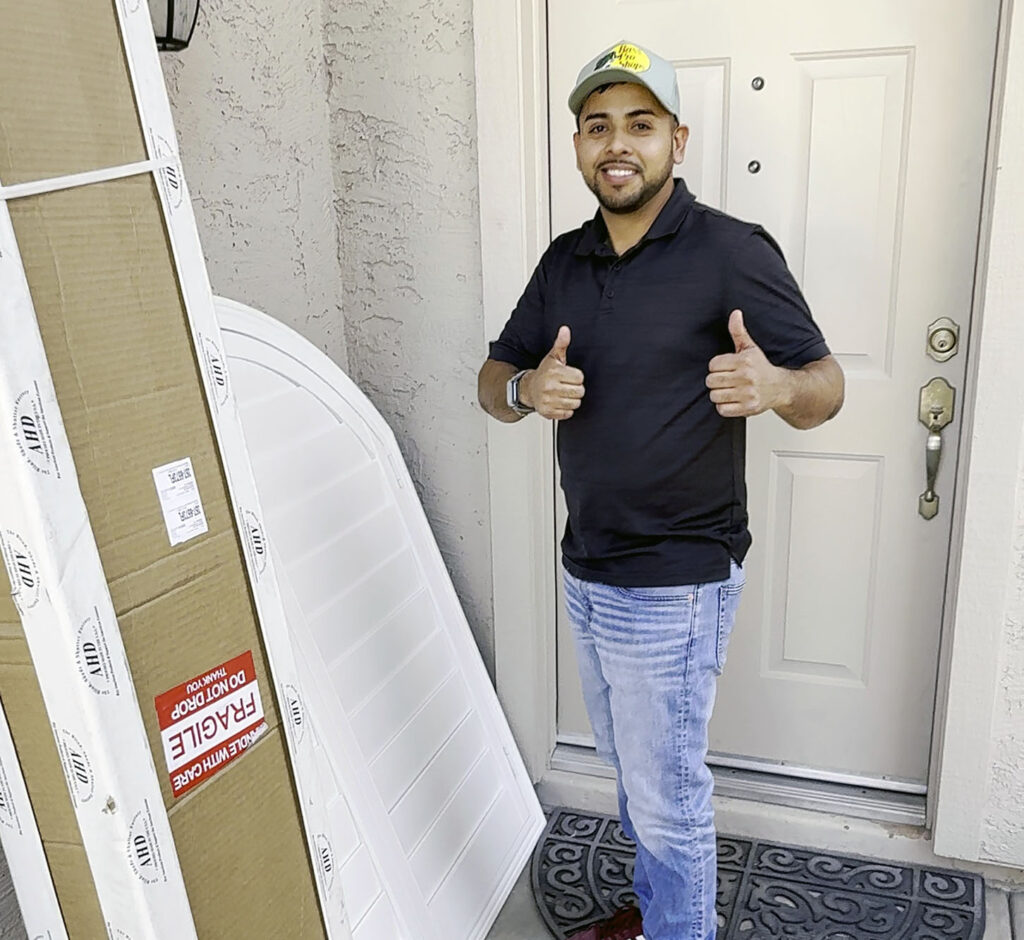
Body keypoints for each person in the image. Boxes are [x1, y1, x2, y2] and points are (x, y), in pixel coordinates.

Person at [477, 40, 844, 940]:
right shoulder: (565, 260)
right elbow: (493, 375)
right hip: (589, 566)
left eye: (640, 125)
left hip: (675, 582)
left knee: (668, 793)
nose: (617, 143)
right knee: (635, 772)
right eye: (597, 125)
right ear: (576, 146)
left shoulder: (731, 252)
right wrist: (526, 392)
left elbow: (825, 384)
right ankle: (658, 916)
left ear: (677, 140)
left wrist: (780, 389)